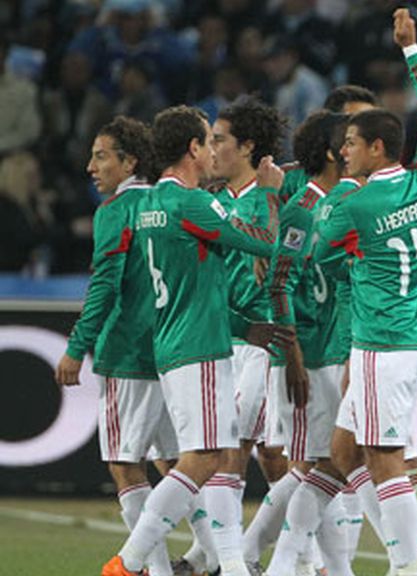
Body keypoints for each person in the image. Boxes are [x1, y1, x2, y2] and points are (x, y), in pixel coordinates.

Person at [101, 105, 287, 576]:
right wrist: (270, 193)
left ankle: (230, 564)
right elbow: (267, 241)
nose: (211, 151)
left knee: (215, 457)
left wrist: (243, 328)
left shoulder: (149, 205)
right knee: (203, 459)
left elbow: (195, 286)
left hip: (176, 342)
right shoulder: (192, 204)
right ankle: (129, 562)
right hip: (198, 347)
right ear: (192, 149)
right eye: (207, 141)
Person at [314, 9, 417, 576]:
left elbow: (317, 246)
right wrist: (412, 51)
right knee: (345, 454)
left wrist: (335, 190)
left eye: (350, 143)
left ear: (375, 147)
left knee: (384, 457)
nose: (343, 152)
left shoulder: (357, 201)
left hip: (381, 342)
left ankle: (409, 567)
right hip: (412, 336)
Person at [165, 96, 290, 576]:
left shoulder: (272, 196)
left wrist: (274, 229)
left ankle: (233, 561)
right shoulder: (213, 200)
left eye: (219, 140)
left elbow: (291, 255)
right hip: (219, 339)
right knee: (259, 458)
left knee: (234, 451)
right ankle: (224, 556)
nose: (211, 148)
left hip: (260, 341)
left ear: (248, 147)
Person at [55, 117, 178, 576]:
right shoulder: (169, 203)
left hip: (128, 353)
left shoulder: (115, 211)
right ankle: (223, 558)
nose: (91, 167)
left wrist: (77, 346)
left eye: (101, 156)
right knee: (180, 467)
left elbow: (105, 286)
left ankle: (154, 570)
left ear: (130, 162)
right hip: (173, 351)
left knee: (125, 465)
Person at [263, 109, 354, 576]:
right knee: (316, 465)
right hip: (308, 355)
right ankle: (272, 563)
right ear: (331, 153)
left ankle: (326, 569)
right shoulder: (304, 208)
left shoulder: (345, 202)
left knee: (331, 465)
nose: (354, 147)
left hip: (333, 350)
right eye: (347, 140)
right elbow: (279, 283)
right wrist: (293, 355)